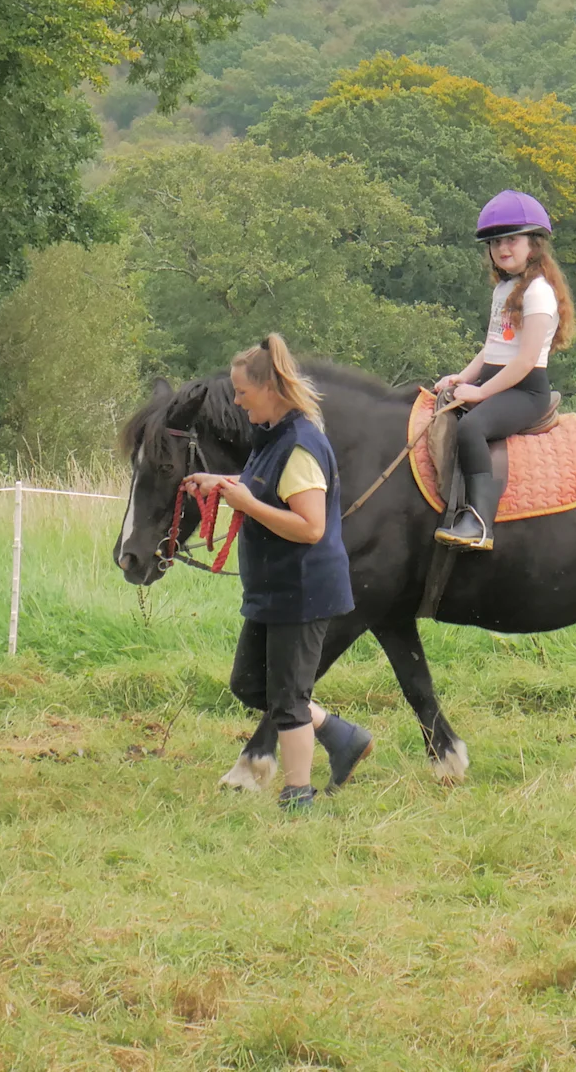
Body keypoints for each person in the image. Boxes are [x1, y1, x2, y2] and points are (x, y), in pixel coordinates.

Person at [188, 334, 376, 810]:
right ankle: (342, 735)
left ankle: (298, 798)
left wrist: (247, 503)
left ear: (269, 388)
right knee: (250, 685)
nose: (236, 399)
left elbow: (311, 527)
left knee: (289, 699)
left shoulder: (299, 446)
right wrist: (223, 483)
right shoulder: (270, 436)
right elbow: (261, 487)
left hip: (303, 590)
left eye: (242, 391)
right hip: (274, 589)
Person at [430, 189, 576, 553]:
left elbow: (525, 361)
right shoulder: (505, 289)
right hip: (496, 382)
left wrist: (480, 393)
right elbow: (492, 348)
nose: (502, 248)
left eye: (512, 239)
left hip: (524, 392)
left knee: (472, 428)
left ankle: (479, 522)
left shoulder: (538, 293)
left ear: (535, 245)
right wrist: (462, 378)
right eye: (495, 242)